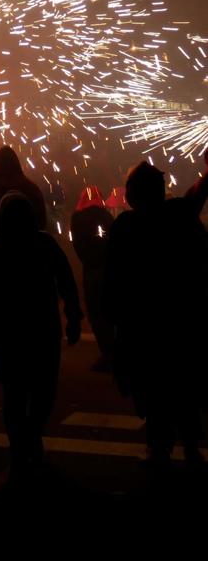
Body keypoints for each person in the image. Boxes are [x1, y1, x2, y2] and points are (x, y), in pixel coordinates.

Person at [104, 160, 208, 471]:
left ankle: (161, 451)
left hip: (145, 327)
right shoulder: (178, 216)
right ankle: (190, 449)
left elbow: (113, 280)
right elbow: (194, 198)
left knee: (154, 393)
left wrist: (113, 322)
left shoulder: (126, 226)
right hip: (180, 324)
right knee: (183, 389)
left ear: (135, 194)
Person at [0, 193, 82, 479]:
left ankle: (23, 444)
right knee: (39, 392)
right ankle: (28, 441)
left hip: (13, 335)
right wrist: (73, 319)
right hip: (40, 331)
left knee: (18, 393)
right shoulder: (42, 245)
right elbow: (67, 284)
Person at [70, 186, 114, 369]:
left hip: (92, 270)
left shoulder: (77, 218)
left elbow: (78, 245)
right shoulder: (107, 216)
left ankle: (108, 355)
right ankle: (115, 354)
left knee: (96, 313)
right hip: (109, 270)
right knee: (110, 313)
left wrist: (88, 261)